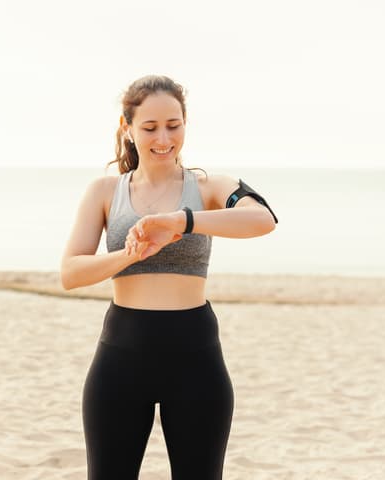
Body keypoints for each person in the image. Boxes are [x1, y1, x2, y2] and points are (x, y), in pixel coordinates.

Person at [60, 75, 278, 480]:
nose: (164, 138)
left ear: (184, 123)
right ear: (127, 129)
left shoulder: (210, 186)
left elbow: (263, 219)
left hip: (195, 356)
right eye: (150, 127)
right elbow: (70, 272)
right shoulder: (106, 191)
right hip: (121, 355)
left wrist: (183, 221)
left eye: (173, 125)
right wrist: (128, 255)